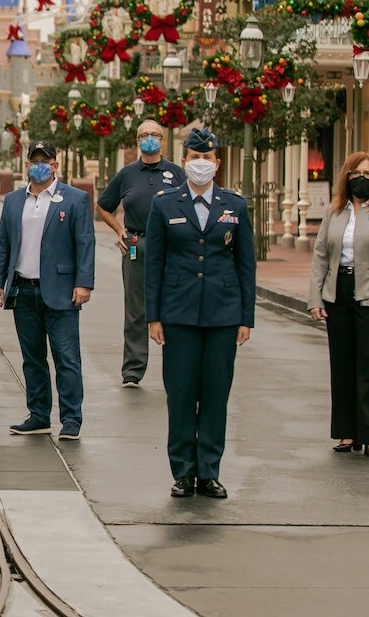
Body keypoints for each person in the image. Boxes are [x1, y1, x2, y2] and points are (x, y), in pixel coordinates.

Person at [145, 128, 254, 500]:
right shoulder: (165, 204)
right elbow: (154, 263)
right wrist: (153, 316)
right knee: (180, 394)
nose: (200, 164)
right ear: (184, 161)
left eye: (207, 158)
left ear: (217, 163)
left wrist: (246, 317)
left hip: (223, 315)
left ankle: (209, 471)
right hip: (178, 313)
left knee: (214, 395)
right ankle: (183, 472)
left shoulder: (235, 205)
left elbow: (245, 265)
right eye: (193, 158)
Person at [0, 142, 95, 440]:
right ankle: (38, 415)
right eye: (33, 160)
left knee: (66, 357)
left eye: (44, 160)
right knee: (32, 357)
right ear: (27, 165)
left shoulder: (75, 199)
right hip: (23, 290)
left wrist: (84, 283)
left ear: (55, 165)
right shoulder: (13, 201)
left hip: (61, 291)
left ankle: (71, 418)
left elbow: (85, 243)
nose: (39, 165)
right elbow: (2, 243)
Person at [307, 152, 369, 459]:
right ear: (347, 176)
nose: (364, 178)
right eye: (358, 172)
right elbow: (320, 255)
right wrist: (315, 297)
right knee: (343, 364)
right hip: (339, 292)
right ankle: (347, 432)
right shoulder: (334, 212)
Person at [96, 118, 183, 387]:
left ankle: (177, 367)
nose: (149, 139)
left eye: (154, 134)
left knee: (172, 305)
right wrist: (119, 230)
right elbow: (103, 205)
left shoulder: (177, 174)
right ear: (137, 142)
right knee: (135, 308)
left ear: (162, 140)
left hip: (170, 246)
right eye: (143, 135)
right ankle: (133, 370)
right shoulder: (126, 174)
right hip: (136, 243)